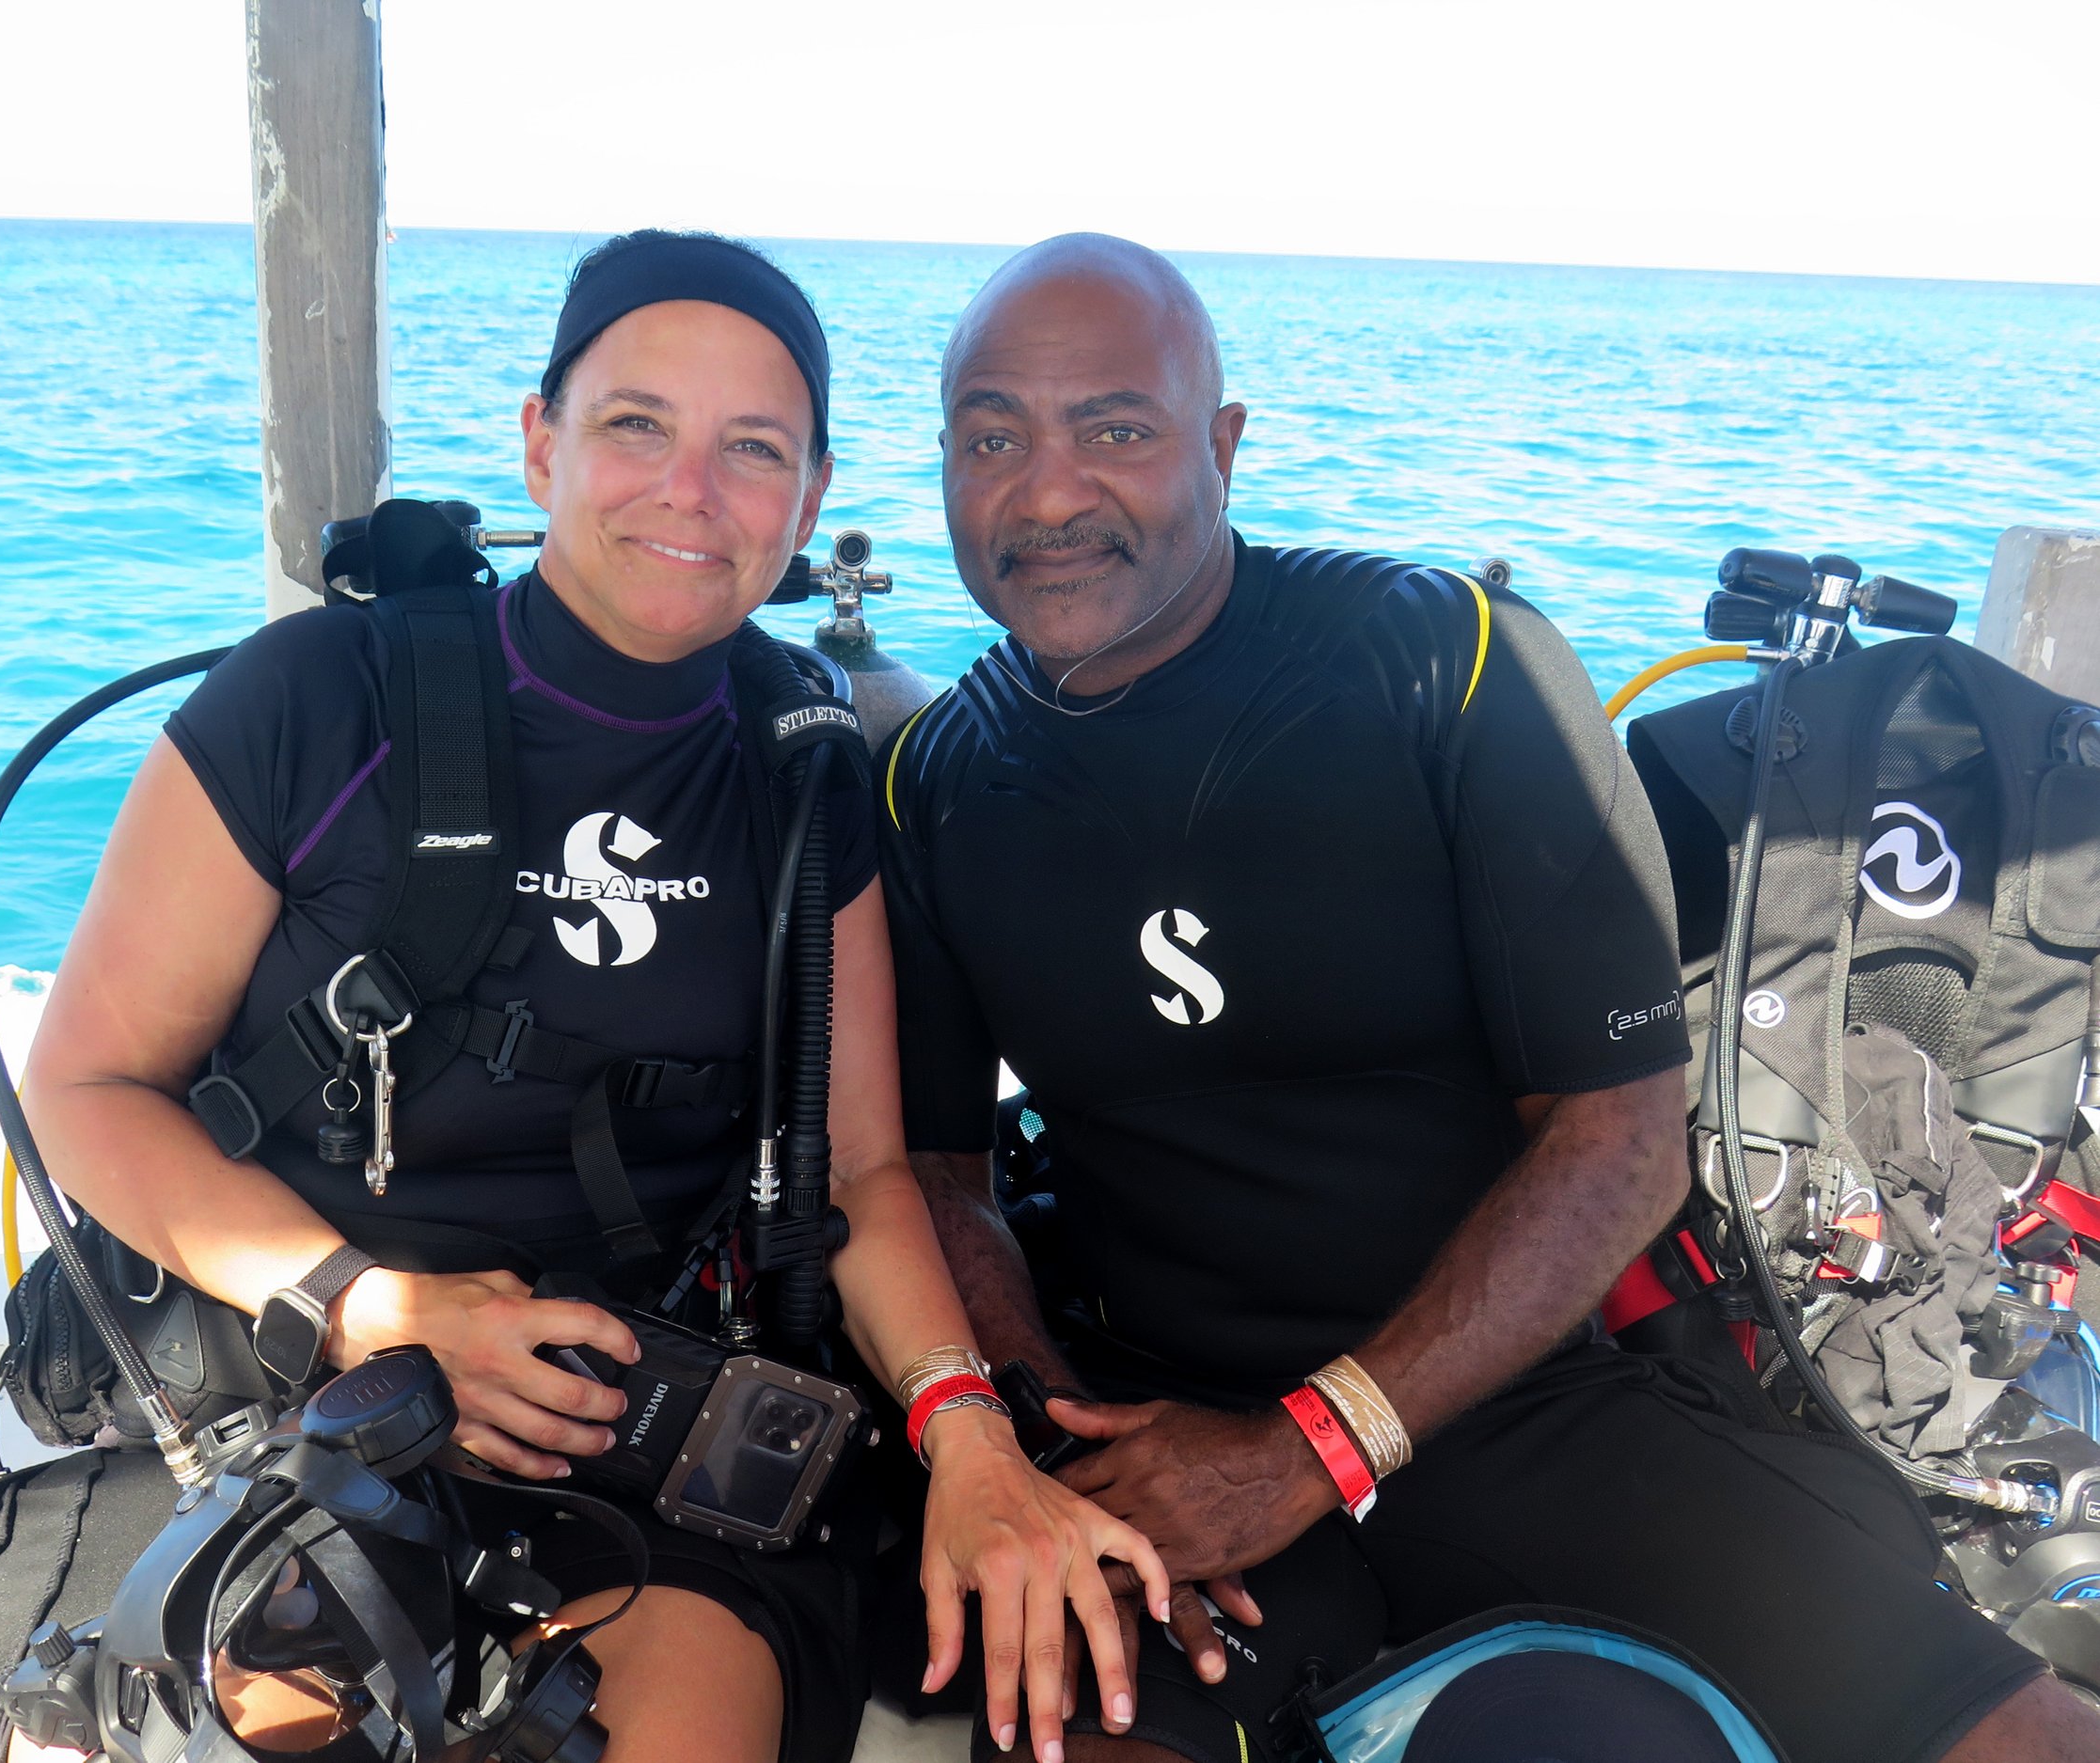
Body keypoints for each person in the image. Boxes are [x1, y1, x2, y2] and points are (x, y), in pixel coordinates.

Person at [876, 232, 2100, 1763]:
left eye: (1115, 428)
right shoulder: (933, 780)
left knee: (2016, 1736)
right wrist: (1051, 1448)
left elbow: (1622, 1145)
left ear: (1223, 445)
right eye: (992, 439)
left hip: (1505, 1398)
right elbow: (941, 1178)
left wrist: (1308, 1452)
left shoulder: (1446, 666)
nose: (1048, 495)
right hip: (1147, 1411)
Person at [13, 230, 1166, 1763]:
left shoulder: (807, 775)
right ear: (541, 443)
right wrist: (366, 1307)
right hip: (316, 1383)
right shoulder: (314, 702)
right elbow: (87, 1086)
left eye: (752, 448)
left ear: (810, 497)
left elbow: (864, 1171)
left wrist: (965, 1435)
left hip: (651, 1433)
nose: (690, 491)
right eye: (636, 424)